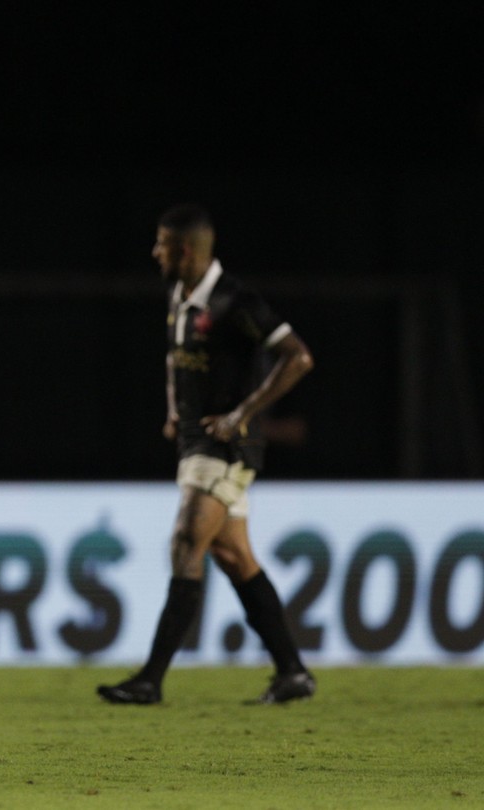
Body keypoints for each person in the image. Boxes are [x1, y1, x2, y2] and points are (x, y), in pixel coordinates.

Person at [98, 204, 317, 706]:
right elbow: (178, 360)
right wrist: (176, 409)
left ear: (186, 250)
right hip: (196, 441)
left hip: (227, 445)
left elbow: (298, 357)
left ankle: (150, 680)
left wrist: (244, 411)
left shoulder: (235, 300)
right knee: (233, 555)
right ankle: (293, 672)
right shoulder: (179, 293)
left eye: (161, 245)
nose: (154, 253)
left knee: (185, 542)